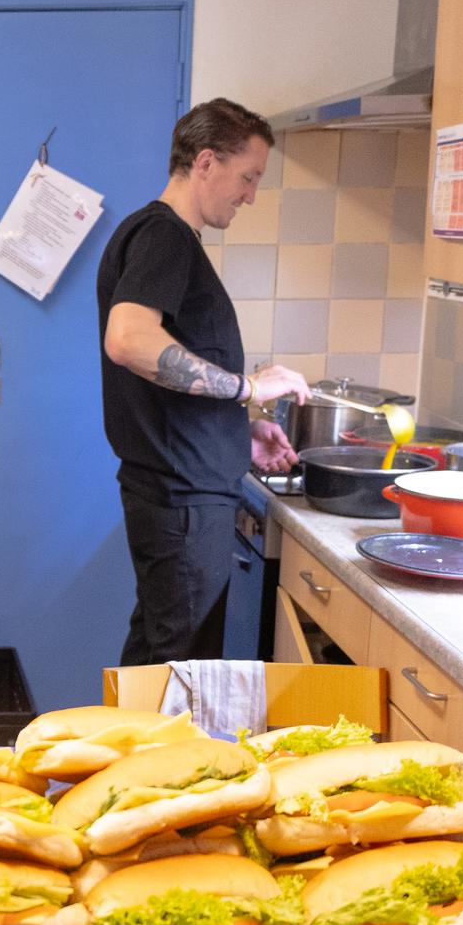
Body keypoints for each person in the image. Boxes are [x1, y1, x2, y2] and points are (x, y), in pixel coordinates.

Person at [96, 98, 314, 666]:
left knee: (155, 661)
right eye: (248, 177)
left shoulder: (156, 236)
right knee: (181, 674)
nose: (250, 194)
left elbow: (171, 380)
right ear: (207, 163)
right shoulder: (164, 237)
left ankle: (114, 757)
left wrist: (242, 427)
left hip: (175, 496)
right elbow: (128, 339)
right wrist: (248, 388)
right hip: (181, 501)